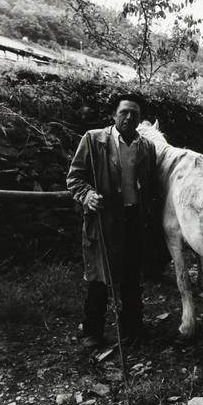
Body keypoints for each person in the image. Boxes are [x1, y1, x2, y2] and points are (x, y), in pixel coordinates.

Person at [67, 93, 158, 348]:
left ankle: (133, 327)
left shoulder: (146, 147)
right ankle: (92, 331)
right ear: (114, 115)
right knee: (99, 277)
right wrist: (87, 195)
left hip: (133, 219)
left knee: (131, 276)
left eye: (135, 114)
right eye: (124, 112)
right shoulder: (94, 140)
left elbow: (149, 186)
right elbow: (74, 178)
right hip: (104, 218)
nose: (130, 117)